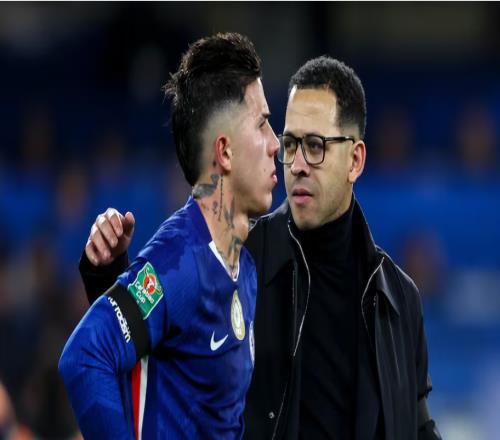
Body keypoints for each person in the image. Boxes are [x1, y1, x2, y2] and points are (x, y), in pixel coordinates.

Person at [79, 56, 441, 439]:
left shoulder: (398, 297)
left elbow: (417, 426)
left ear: (355, 160)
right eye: (290, 144)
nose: (297, 165)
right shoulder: (235, 257)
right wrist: (108, 274)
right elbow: (148, 367)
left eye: (315, 146)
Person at [59, 32, 279, 439]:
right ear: (225, 151)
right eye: (263, 124)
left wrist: (108, 277)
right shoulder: (181, 260)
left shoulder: (243, 268)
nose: (275, 144)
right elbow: (85, 356)